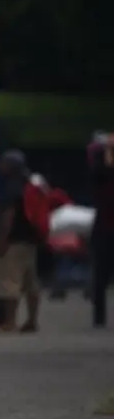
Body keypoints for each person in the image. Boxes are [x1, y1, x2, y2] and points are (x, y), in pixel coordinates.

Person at [0, 150, 40, 333]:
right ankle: (32, 321)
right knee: (31, 283)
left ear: (11, 166)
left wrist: (2, 240)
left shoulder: (11, 187)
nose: (0, 166)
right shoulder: (30, 184)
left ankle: (10, 322)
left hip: (14, 240)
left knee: (10, 282)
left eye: (4, 163)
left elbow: (9, 216)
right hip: (30, 239)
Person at [90, 134, 114, 328]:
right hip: (104, 229)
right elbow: (101, 171)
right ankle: (99, 317)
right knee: (100, 276)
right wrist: (107, 150)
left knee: (100, 275)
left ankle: (99, 317)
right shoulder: (100, 175)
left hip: (104, 229)